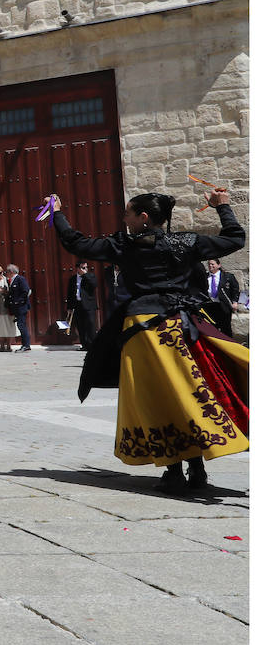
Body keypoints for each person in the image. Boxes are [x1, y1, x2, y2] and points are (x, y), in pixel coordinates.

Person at [49, 190, 247, 493]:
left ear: (143, 218)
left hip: (144, 330)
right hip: (182, 326)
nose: (123, 218)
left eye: (128, 213)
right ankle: (196, 468)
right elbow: (235, 238)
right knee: (188, 393)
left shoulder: (123, 246)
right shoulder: (188, 242)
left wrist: (58, 213)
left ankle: (174, 470)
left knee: (158, 398)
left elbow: (76, 242)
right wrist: (223, 207)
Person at [202, 258, 242, 337]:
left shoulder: (227, 277)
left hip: (223, 306)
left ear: (218, 265)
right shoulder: (205, 277)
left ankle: (229, 345)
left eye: (212, 264)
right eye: (209, 264)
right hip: (210, 306)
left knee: (225, 328)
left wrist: (235, 302)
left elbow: (235, 289)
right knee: (212, 327)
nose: (210, 266)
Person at [64, 261, 99, 349]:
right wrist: (69, 307)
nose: (85, 269)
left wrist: (85, 275)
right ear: (78, 268)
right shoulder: (72, 279)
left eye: (86, 267)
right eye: (83, 268)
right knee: (81, 326)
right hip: (78, 305)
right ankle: (84, 345)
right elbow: (70, 294)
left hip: (89, 305)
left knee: (90, 325)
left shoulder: (90, 276)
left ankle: (93, 346)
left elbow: (94, 285)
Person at [5, 264, 32, 351]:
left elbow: (26, 291)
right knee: (21, 325)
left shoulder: (20, 279)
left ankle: (26, 345)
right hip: (16, 308)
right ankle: (25, 345)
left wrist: (18, 302)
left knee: (22, 325)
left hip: (21, 307)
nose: (6, 273)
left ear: (11, 272)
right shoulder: (12, 280)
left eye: (7, 272)